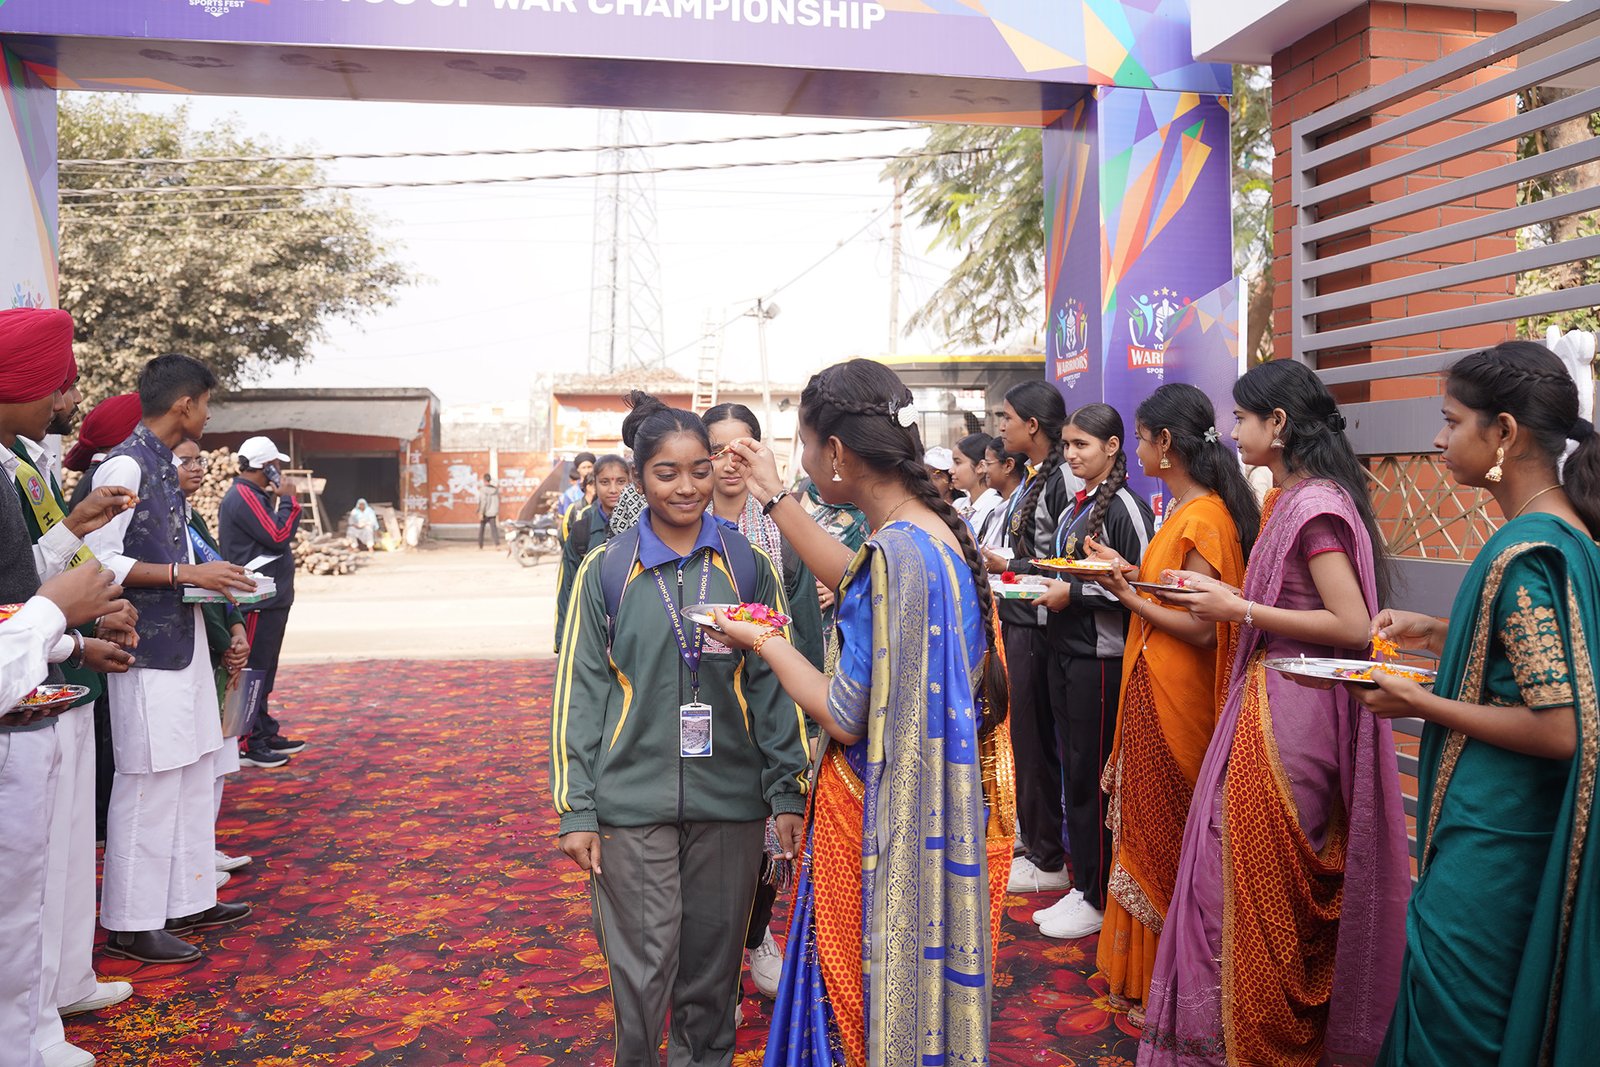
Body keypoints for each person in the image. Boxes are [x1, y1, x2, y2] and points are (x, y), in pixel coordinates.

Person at [712, 358, 1012, 1067]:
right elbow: (858, 579)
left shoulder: (895, 554)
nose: (803, 460)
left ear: (838, 453)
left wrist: (764, 640)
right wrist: (775, 494)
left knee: (849, 1005)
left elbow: (845, 713)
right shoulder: (928, 533)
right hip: (935, 810)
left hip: (873, 815)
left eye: (805, 445)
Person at [1138, 358, 1410, 1066]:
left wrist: (1240, 610)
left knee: (1247, 885)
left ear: (1279, 423)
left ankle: (1255, 1042)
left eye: (1242, 418)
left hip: (1292, 714)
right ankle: (1235, 1037)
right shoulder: (1292, 498)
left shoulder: (1313, 506)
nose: (1232, 432)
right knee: (1230, 879)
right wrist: (1229, 602)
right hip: (1275, 699)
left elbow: (1351, 623)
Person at [1354, 343, 1600, 1066]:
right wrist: (1437, 632)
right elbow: (1531, 666)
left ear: (1504, 432)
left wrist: (1418, 702)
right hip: (1518, 823)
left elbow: (1560, 726)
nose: (1439, 439)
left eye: (1452, 421)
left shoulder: (1529, 553)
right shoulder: (1568, 535)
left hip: (1499, 839)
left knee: (1455, 1024)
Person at [551, 392, 809, 1067]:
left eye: (699, 469)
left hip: (731, 800)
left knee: (713, 972)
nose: (687, 486)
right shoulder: (606, 570)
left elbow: (773, 681)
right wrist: (576, 807)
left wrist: (787, 788)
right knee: (641, 969)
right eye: (666, 473)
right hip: (630, 801)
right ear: (639, 479)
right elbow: (581, 691)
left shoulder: (747, 564)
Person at [1072, 384, 1257, 1023]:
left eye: (1142, 437)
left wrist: (1126, 595)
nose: (1139, 448)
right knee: (1147, 836)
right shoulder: (1186, 510)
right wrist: (1129, 573)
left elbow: (1204, 629)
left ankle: (1170, 986)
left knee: (1165, 841)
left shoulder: (1204, 517)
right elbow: (1175, 595)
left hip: (1177, 697)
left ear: (1166, 443)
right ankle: (1150, 979)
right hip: (1155, 685)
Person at [0, 307, 140, 1067]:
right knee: (17, 895)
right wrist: (69, 623)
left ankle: (47, 1007)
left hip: (36, 674)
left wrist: (74, 534)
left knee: (45, 874)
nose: (67, 399)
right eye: (56, 384)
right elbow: (18, 595)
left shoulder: (16, 463)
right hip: (18, 687)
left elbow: (21, 578)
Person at [87, 353, 259, 966]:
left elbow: (174, 555)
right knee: (150, 782)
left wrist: (214, 580)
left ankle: (187, 899)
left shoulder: (162, 464)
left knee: (191, 774)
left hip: (183, 643)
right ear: (185, 404)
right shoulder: (126, 464)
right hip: (145, 650)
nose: (208, 416)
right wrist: (187, 574)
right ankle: (132, 924)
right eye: (207, 404)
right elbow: (95, 562)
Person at [701, 402, 826, 1000]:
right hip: (705, 703)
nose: (730, 462)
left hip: (773, 701)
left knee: (774, 830)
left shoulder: (782, 526)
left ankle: (756, 935)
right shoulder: (681, 521)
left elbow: (804, 628)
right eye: (717, 450)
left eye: (743, 449)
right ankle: (712, 958)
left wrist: (809, 713)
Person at [1030, 403, 1155, 941]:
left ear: (1112, 446)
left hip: (1101, 660)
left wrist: (1073, 594)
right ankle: (1083, 884)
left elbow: (1142, 588)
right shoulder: (1073, 506)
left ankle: (1100, 896)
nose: (1071, 454)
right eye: (1067, 445)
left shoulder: (1126, 507)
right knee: (1075, 775)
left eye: (1081, 444)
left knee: (1093, 779)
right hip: (1065, 650)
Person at [0, 559, 131, 1067]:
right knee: (16, 922)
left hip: (30, 683)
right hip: (16, 692)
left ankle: (48, 1011)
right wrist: (54, 616)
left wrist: (68, 642)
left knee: (47, 884)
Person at [990, 379, 1082, 895]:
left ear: (1032, 424)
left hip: (1040, 625)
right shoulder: (1033, 477)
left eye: (1007, 417)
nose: (1000, 427)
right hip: (1022, 618)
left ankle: (1049, 857)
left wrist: (1007, 566)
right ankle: (1038, 840)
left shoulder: (1060, 479)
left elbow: (1063, 561)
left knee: (1037, 741)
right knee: (1028, 740)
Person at [63, 391, 144, 847]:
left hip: (93, 622)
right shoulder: (118, 473)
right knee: (106, 732)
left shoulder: (99, 475)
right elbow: (99, 558)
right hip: (96, 623)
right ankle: (103, 823)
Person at [175, 438, 253, 877]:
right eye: (184, 461)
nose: (197, 468)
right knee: (195, 762)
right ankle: (191, 860)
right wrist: (225, 642)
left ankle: (204, 847)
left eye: (199, 460)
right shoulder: (163, 524)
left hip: (219, 648)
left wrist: (237, 630)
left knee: (218, 757)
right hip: (197, 651)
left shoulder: (194, 517)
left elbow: (219, 578)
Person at [217, 435, 304, 769]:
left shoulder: (252, 494)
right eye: (276, 464)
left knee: (264, 670)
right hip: (256, 599)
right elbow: (278, 535)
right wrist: (289, 500)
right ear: (266, 466)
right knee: (252, 670)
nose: (279, 470)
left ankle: (263, 731)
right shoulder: (245, 495)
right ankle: (247, 741)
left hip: (269, 598)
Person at [552, 454, 629, 654]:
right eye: (605, 482)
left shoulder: (645, 527)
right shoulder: (582, 529)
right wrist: (563, 638)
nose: (613, 489)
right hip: (591, 628)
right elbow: (567, 586)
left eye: (621, 482)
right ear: (594, 484)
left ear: (631, 483)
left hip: (632, 629)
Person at [977, 438, 1026, 553]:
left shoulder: (1021, 508)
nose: (984, 470)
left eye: (988, 463)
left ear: (1008, 466)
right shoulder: (997, 509)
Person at [951, 432, 1001, 533]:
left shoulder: (996, 507)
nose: (951, 470)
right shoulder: (958, 504)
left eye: (958, 462)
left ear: (981, 466)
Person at [477, 473, 501, 549]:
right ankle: (497, 545)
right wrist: (496, 512)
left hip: (485, 512)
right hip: (493, 512)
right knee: (494, 529)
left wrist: (481, 512)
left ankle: (480, 545)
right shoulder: (495, 490)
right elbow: (497, 501)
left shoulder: (483, 490)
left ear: (484, 480)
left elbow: (483, 501)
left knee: (482, 529)